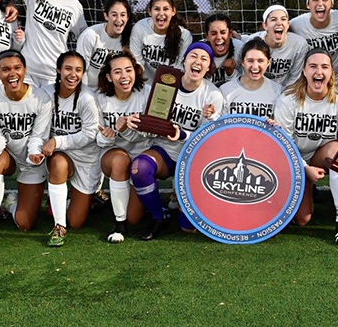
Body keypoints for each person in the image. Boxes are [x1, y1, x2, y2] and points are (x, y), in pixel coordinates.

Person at [129, 42, 225, 240]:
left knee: (188, 227)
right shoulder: (165, 85)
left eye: (204, 59)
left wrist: (187, 133)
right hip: (165, 151)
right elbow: (153, 126)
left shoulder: (212, 95)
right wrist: (140, 124)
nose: (198, 61)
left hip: (194, 158)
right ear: (184, 61)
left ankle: (183, 195)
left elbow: (211, 139)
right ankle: (159, 215)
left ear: (209, 68)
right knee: (140, 168)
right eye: (193, 56)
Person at [273, 49, 338, 245]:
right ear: (304, 71)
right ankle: (306, 186)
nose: (319, 72)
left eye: (324, 67)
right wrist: (304, 169)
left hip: (322, 155)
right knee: (303, 220)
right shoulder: (288, 99)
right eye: (313, 66)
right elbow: (283, 143)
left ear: (331, 72)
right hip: (293, 158)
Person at [0, 50, 53, 252]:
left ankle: (11, 203)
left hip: (31, 159)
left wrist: (34, 155)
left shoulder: (42, 98)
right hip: (7, 155)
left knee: (25, 223)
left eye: (17, 68)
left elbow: (38, 136)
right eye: (6, 69)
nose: (12, 73)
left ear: (25, 70)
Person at [41, 51, 101, 247]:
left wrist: (57, 141)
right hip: (61, 155)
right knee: (58, 163)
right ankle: (59, 225)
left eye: (78, 70)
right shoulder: (46, 93)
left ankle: (67, 200)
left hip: (85, 158)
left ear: (83, 73)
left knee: (77, 221)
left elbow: (89, 134)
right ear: (58, 70)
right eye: (67, 68)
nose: (72, 74)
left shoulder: (87, 98)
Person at [95, 51, 151, 242]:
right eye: (118, 72)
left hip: (141, 155)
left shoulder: (147, 93)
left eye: (128, 70)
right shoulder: (99, 99)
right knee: (120, 159)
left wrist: (126, 129)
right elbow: (97, 140)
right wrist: (108, 136)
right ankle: (120, 224)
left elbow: (153, 132)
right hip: (114, 154)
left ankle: (138, 209)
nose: (124, 76)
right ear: (109, 77)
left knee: (136, 217)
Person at [290, 0, 338, 90]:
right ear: (308, 4)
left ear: (331, 3)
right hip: (313, 74)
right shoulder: (297, 24)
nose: (320, 3)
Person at [130, 0, 193, 81]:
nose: (161, 13)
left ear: (173, 11)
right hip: (144, 84)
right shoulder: (140, 28)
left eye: (166, 9)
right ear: (149, 11)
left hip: (170, 83)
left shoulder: (184, 35)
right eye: (157, 9)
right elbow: (137, 62)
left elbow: (180, 67)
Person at [77, 0, 134, 90]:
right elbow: (81, 70)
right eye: (114, 15)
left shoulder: (129, 40)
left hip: (113, 94)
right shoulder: (90, 35)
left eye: (123, 15)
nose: (119, 20)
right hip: (89, 91)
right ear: (106, 16)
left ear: (128, 17)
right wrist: (85, 94)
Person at [221, 37, 283, 118]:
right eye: (250, 61)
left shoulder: (278, 92)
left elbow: (281, 126)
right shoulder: (226, 90)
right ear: (242, 62)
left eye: (260, 61)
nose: (255, 66)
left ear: (268, 62)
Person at [251, 5, 309, 88]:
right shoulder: (253, 42)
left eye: (283, 19)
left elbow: (295, 77)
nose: (279, 23)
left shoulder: (299, 44)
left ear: (288, 24)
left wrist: (282, 95)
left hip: (285, 92)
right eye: (273, 19)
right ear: (265, 25)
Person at [204, 13, 243, 87]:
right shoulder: (199, 52)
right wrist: (207, 75)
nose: (219, 37)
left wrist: (231, 73)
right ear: (207, 36)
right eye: (213, 33)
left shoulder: (240, 49)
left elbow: (246, 83)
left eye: (223, 32)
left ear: (230, 34)